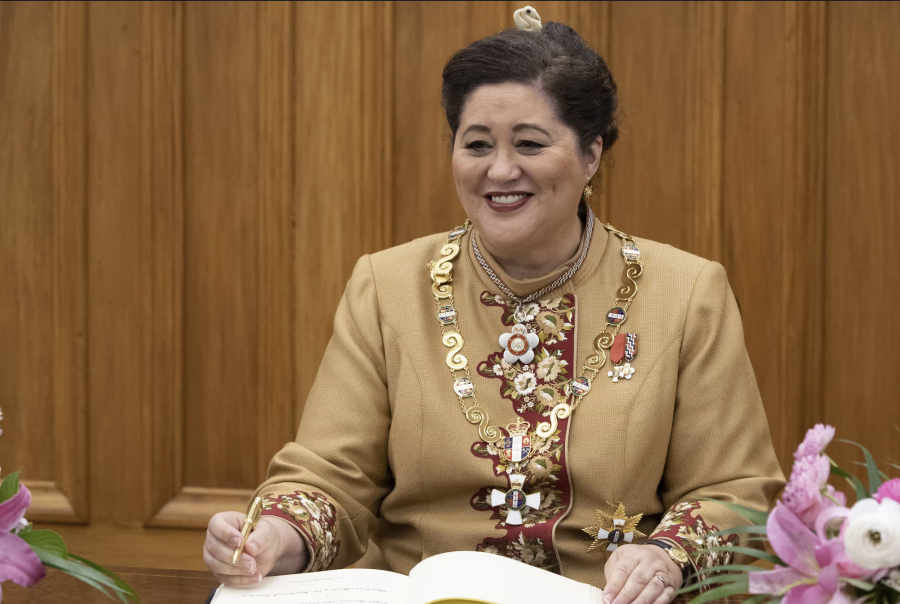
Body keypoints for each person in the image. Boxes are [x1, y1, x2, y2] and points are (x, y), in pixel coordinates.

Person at [202, 7, 784, 604]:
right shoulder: (387, 286)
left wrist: (666, 557)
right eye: (477, 144)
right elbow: (329, 475)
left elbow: (734, 490)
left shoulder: (687, 293)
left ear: (591, 154)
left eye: (530, 143)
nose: (500, 170)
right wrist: (271, 537)